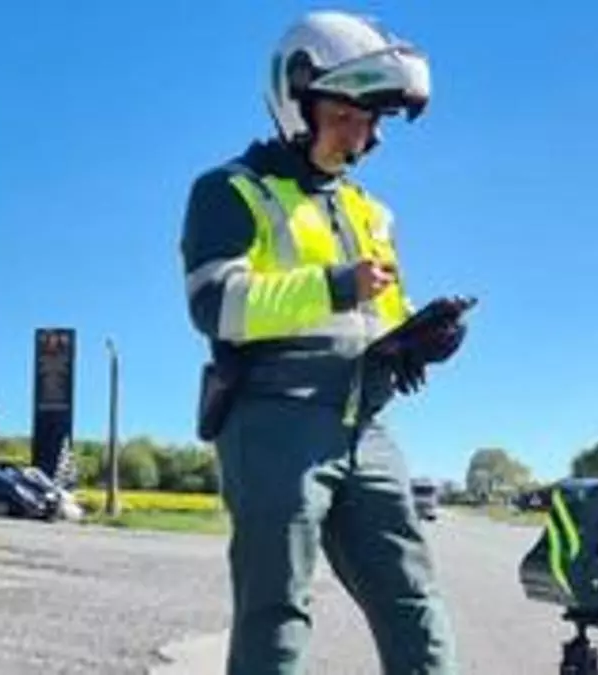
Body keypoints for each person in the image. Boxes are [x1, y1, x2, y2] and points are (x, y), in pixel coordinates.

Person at [178, 10, 466, 675]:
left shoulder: (371, 211)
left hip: (366, 418)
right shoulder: (231, 190)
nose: (363, 134)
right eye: (348, 114)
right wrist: (335, 285)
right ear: (297, 98)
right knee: (276, 609)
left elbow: (380, 311)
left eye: (373, 120)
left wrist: (419, 340)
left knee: (413, 597)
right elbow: (215, 303)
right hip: (274, 415)